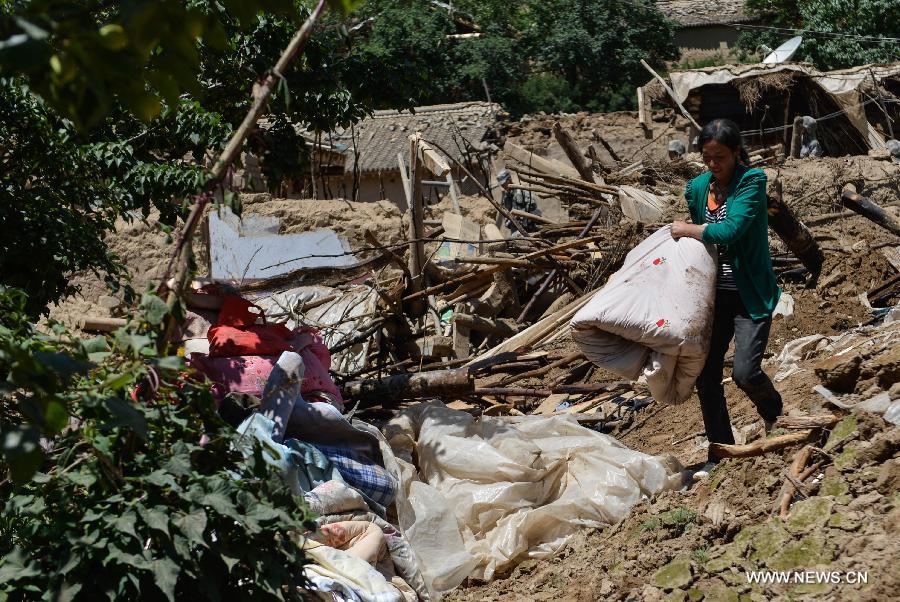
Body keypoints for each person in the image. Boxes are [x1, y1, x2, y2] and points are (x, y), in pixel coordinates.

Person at [670, 118, 783, 479]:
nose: (713, 165)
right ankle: (721, 451)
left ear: (736, 152)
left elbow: (729, 231)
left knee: (745, 373)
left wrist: (687, 229)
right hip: (715, 298)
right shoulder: (698, 188)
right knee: (705, 377)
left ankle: (776, 416)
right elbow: (701, 246)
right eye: (707, 158)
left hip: (750, 295)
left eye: (720, 157)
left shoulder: (752, 182)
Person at [496, 169, 539, 234]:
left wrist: (521, 215)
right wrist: (509, 220)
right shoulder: (506, 198)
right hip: (516, 230)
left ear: (509, 179)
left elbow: (533, 206)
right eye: (501, 184)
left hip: (529, 228)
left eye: (504, 183)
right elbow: (506, 216)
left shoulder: (522, 191)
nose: (503, 186)